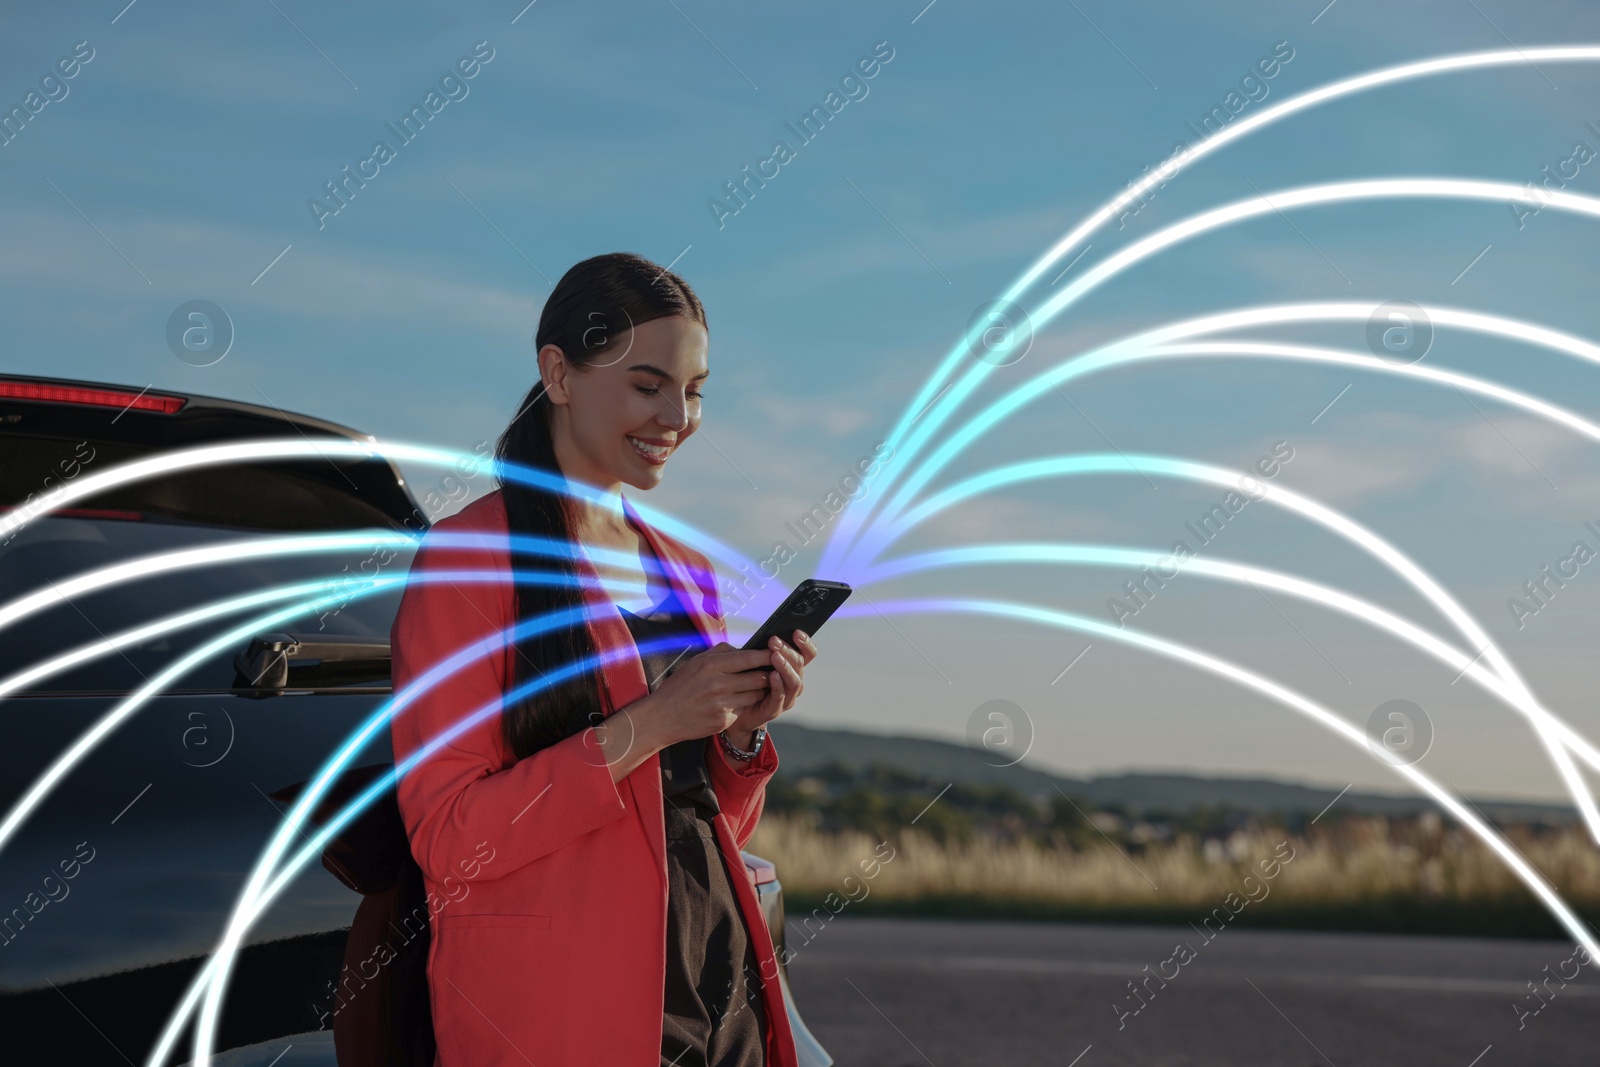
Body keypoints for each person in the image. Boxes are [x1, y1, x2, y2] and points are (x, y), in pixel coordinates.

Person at [388, 252, 812, 1067]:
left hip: (713, 982)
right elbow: (449, 836)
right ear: (558, 373)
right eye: (649, 385)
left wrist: (739, 738)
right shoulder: (467, 563)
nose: (677, 418)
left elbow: (696, 818)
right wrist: (651, 722)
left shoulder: (683, 570)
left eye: (695, 392)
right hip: (557, 1009)